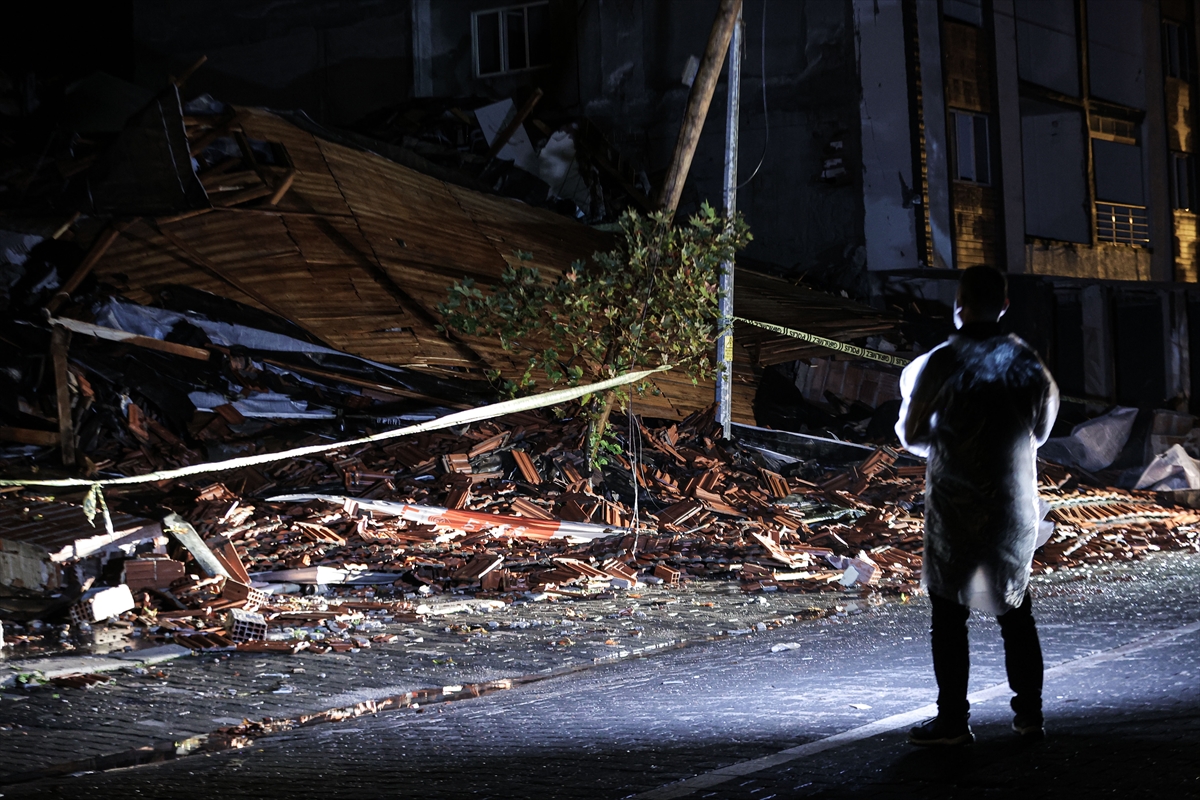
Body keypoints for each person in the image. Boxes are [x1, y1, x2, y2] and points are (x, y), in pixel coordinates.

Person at [895, 265, 1059, 746]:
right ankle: (1029, 715)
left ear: (959, 304)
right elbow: (1041, 430)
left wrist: (953, 440)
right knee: (1016, 613)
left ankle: (952, 720)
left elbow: (911, 432)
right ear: (1004, 305)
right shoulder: (1028, 363)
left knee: (949, 617)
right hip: (1012, 504)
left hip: (956, 506)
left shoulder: (943, 362)